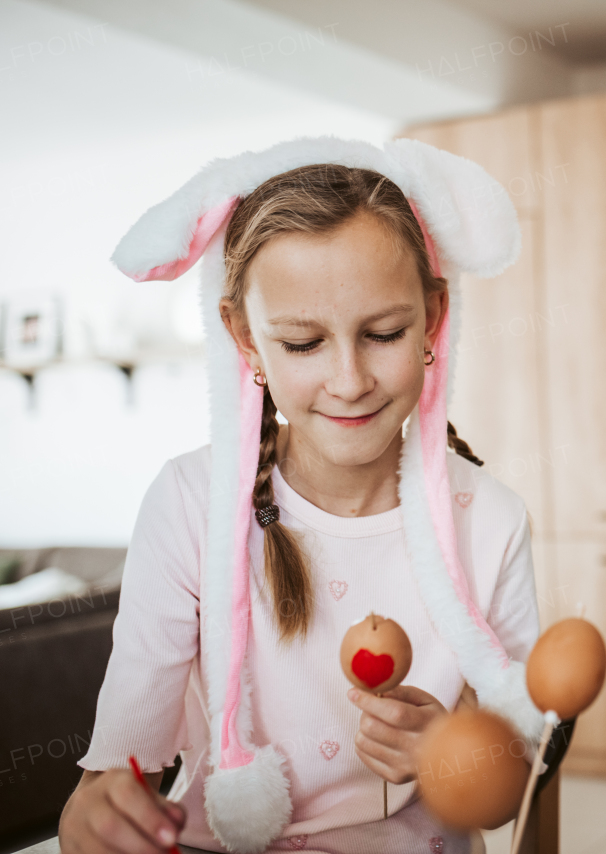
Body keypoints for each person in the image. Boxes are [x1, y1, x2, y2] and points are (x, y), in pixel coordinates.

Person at [59, 139, 554, 854]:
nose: (349, 380)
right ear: (245, 339)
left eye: (383, 332)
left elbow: (513, 792)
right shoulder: (188, 503)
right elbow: (113, 778)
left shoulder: (492, 520)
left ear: (433, 319)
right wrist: (95, 814)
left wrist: (453, 753)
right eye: (301, 344)